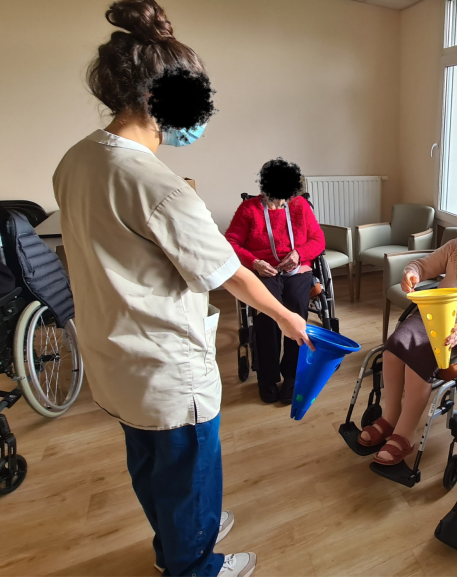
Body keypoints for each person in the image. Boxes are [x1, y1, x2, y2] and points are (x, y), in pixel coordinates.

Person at [52, 2, 311, 576]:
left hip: (114, 354)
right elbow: (230, 274)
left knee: (150, 462)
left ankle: (174, 538)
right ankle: (194, 563)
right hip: (165, 362)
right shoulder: (160, 186)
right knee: (189, 465)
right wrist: (287, 317)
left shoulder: (78, 160)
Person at [358, 203, 457, 466]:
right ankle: (390, 417)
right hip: (434, 315)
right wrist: (412, 273)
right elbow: (422, 265)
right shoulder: (456, 247)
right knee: (394, 347)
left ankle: (405, 434)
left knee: (418, 362)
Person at [225, 159, 325, 404]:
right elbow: (231, 243)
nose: (281, 199)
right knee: (268, 311)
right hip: (265, 270)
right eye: (276, 192)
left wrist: (299, 254)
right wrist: (255, 262)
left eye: (286, 192)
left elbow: (318, 240)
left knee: (297, 307)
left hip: (297, 269)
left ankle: (292, 374)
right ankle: (267, 377)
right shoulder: (249, 209)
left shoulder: (300, 206)